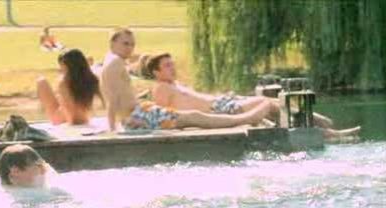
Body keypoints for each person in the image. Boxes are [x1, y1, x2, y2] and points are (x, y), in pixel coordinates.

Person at [147, 53, 361, 138]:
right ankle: (327, 129)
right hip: (220, 110)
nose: (172, 68)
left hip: (223, 103)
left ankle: (320, 126)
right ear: (156, 72)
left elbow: (198, 97)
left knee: (274, 102)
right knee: (270, 104)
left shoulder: (175, 84)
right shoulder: (161, 88)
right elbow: (167, 115)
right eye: (167, 66)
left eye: (172, 64)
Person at [100, 28, 271, 132]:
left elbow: (118, 95)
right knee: (194, 117)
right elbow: (113, 99)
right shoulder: (115, 63)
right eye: (125, 44)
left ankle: (245, 118)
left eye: (132, 44)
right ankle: (245, 119)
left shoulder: (111, 62)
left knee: (193, 116)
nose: (130, 48)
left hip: (141, 112)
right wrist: (113, 129)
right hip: (139, 116)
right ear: (112, 43)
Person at [36, 48, 103, 125]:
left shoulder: (64, 82)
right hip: (84, 119)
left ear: (66, 65)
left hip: (65, 119)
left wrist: (70, 125)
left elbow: (69, 109)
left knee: (41, 81)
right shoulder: (91, 78)